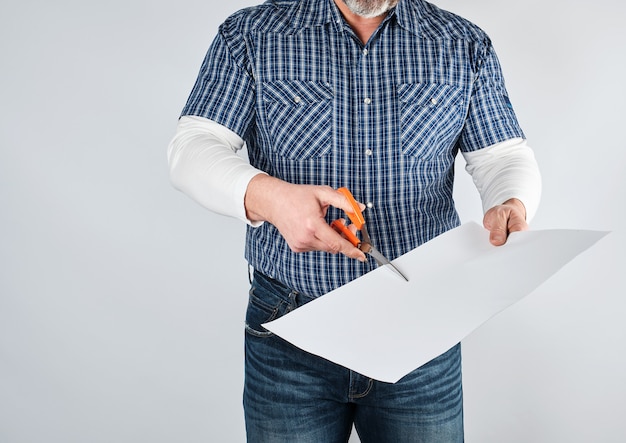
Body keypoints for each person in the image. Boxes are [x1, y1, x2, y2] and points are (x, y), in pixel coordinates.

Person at [168, 0, 541, 441]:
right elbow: (192, 148)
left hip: (421, 327)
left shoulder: (463, 44)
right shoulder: (251, 35)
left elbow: (501, 156)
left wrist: (510, 201)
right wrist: (270, 199)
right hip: (291, 331)